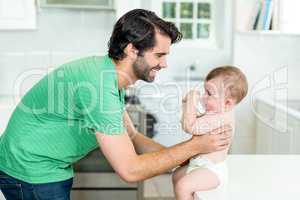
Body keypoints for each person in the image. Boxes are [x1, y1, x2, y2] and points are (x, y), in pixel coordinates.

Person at [0, 9, 232, 200]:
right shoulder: (99, 87)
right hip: (30, 171)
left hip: (43, 166)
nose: (165, 64)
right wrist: (195, 146)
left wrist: (190, 158)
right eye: (159, 55)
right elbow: (130, 170)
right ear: (132, 49)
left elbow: (132, 136)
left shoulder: (107, 76)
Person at [172, 66, 248, 200]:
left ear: (227, 103)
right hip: (199, 165)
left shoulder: (222, 118)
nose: (203, 96)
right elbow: (190, 121)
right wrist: (186, 106)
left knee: (183, 186)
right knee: (177, 175)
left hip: (212, 170)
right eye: (204, 91)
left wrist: (190, 102)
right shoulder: (216, 112)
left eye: (209, 93)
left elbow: (191, 126)